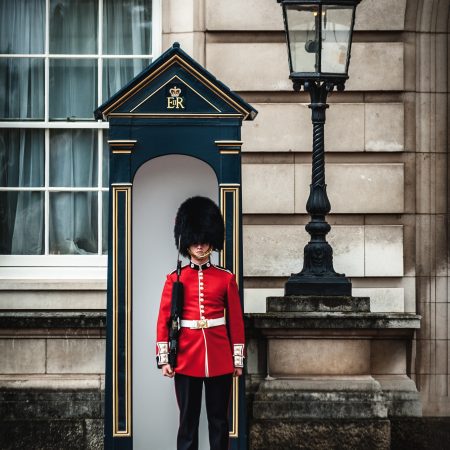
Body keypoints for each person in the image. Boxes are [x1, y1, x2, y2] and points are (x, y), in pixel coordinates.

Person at [156, 196, 245, 450]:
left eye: (204, 240)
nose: (199, 245)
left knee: (219, 421)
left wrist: (237, 360)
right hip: (185, 356)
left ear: (211, 242)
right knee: (188, 422)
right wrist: (165, 358)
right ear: (186, 242)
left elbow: (236, 323)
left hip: (219, 356)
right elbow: (164, 320)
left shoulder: (225, 278)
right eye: (194, 240)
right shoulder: (175, 279)